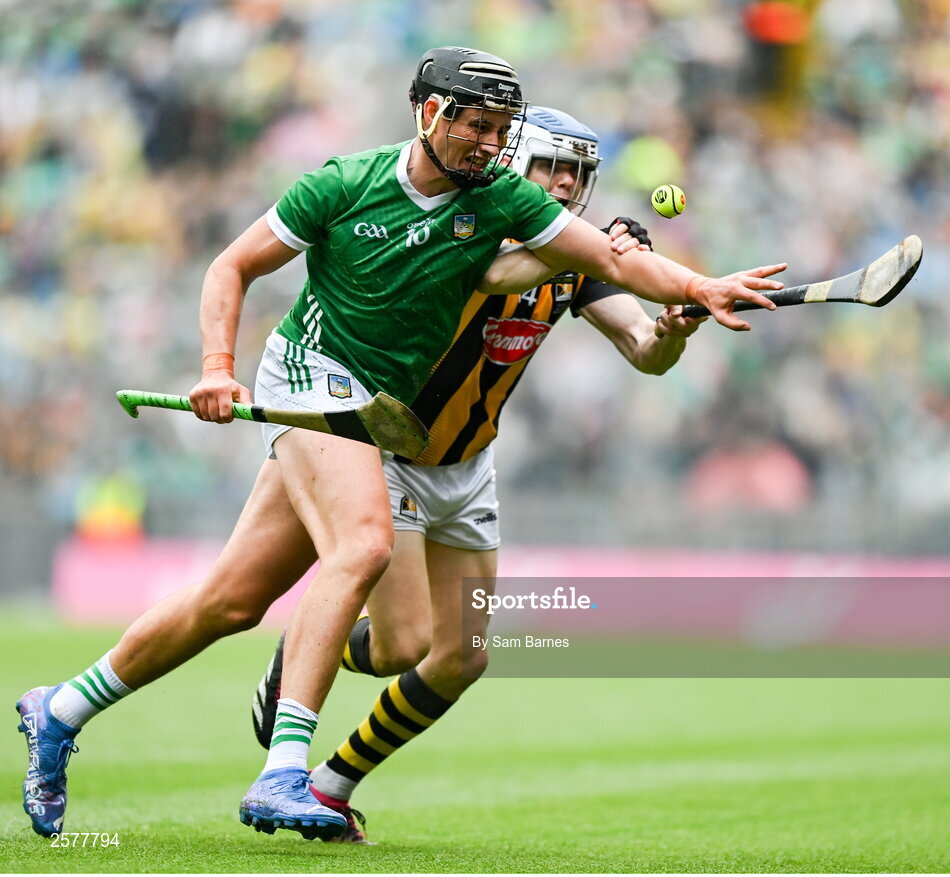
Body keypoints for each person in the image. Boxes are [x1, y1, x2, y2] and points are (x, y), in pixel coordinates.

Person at [17, 46, 785, 842]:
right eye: (481, 130)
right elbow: (237, 265)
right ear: (429, 114)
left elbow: (606, 281)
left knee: (242, 603)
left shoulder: (508, 205)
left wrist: (692, 294)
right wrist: (218, 367)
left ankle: (61, 706)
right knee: (361, 547)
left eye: (502, 132)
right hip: (332, 391)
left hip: (435, 445)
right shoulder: (351, 185)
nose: (493, 148)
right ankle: (285, 771)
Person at [248, 104, 707, 843]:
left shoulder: (574, 260)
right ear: (508, 164)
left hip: (468, 464)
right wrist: (617, 257)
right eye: (548, 167)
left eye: (575, 173)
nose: (561, 185)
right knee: (400, 645)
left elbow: (644, 350)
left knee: (463, 655)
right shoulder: (463, 229)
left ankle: (332, 786)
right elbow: (500, 272)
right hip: (393, 448)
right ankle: (309, 647)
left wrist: (671, 322)